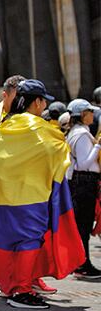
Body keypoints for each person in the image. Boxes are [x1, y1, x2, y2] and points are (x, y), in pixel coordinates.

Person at [0, 79, 84, 308]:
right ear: (38, 102)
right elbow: (60, 155)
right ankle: (21, 291)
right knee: (29, 241)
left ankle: (13, 286)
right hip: (30, 197)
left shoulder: (2, 126)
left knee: (15, 244)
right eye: (43, 101)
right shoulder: (39, 128)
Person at [65, 99, 100, 280]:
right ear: (83, 114)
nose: (93, 115)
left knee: (82, 224)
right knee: (83, 224)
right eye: (90, 112)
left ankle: (81, 262)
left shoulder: (77, 132)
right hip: (84, 181)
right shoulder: (82, 134)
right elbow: (85, 163)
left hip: (80, 182)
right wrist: (98, 145)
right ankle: (82, 263)